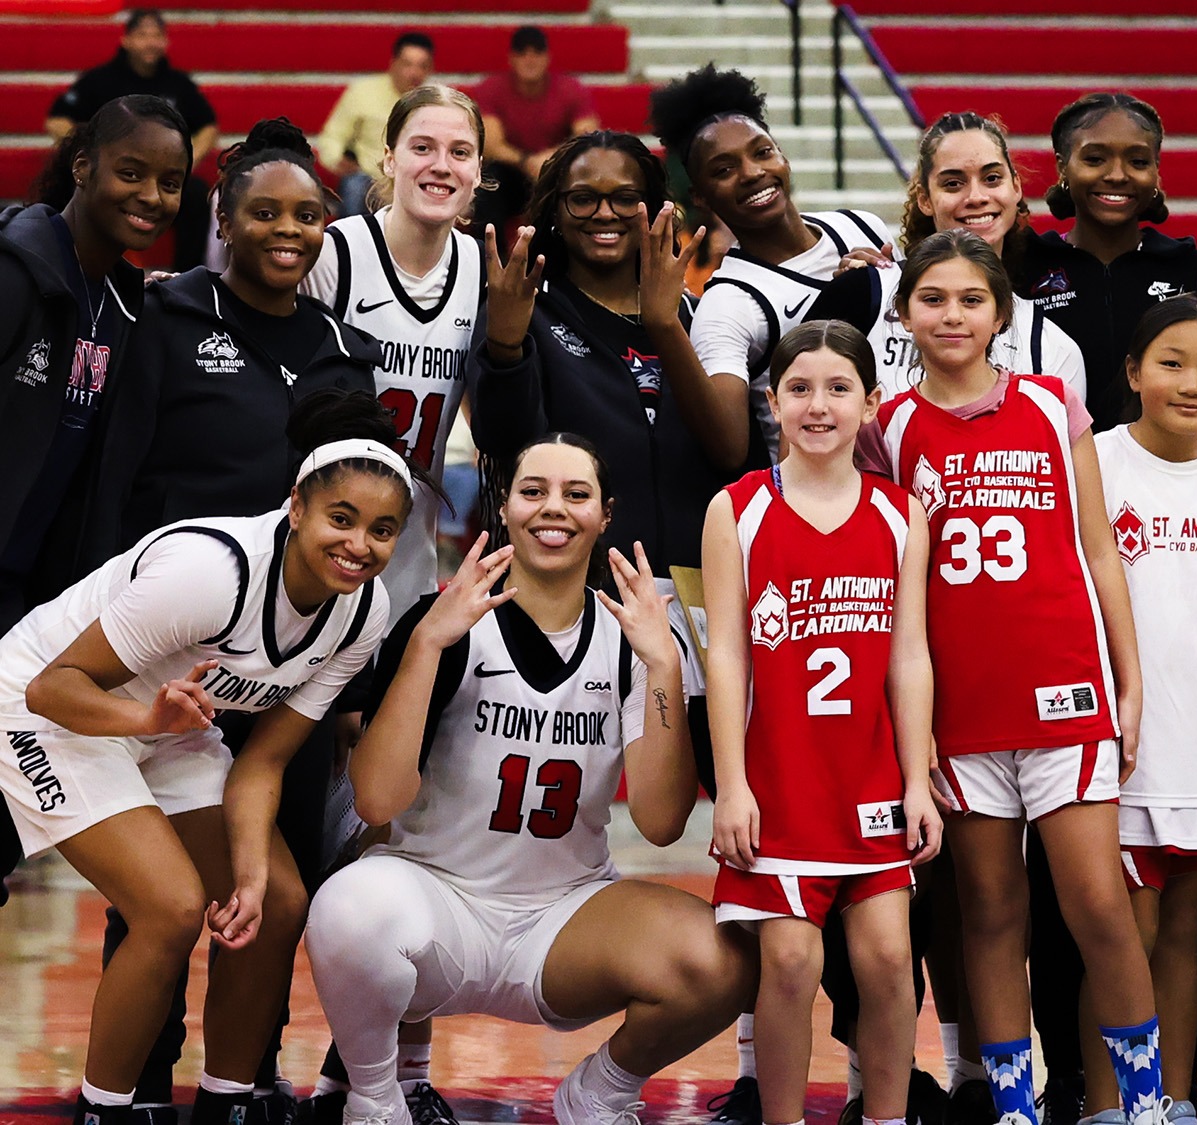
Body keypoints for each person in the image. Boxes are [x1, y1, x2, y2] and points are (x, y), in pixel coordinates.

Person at [304, 434, 754, 1125]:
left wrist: (665, 667)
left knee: (722, 960)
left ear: (606, 515)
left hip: (563, 917)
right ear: (504, 508)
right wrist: (426, 643)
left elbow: (663, 824)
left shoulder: (631, 638)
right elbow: (375, 798)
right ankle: (375, 1096)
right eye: (534, 490)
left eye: (577, 494)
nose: (555, 508)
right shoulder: (445, 621)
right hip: (437, 902)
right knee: (346, 907)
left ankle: (598, 1093)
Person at [0, 390, 404, 1125]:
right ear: (296, 508)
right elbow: (53, 686)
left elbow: (262, 763)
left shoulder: (362, 613)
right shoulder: (211, 571)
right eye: (340, 519)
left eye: (383, 530)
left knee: (277, 903)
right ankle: (104, 1111)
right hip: (45, 705)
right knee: (170, 908)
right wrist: (141, 716)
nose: (359, 545)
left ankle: (227, 1105)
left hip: (168, 725)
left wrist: (248, 872)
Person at [871, 230, 1162, 1125]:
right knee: (990, 913)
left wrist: (1130, 677)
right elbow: (889, 583)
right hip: (960, 710)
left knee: (1097, 904)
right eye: (933, 299)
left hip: (1064, 690)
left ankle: (1143, 1100)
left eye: (970, 299)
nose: (952, 315)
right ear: (904, 311)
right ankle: (1012, 1105)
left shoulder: (1049, 403)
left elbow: (1101, 548)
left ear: (1002, 312)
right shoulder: (888, 426)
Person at [704, 319, 942, 1125]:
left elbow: (909, 656)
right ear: (773, 402)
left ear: (872, 404)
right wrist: (731, 787)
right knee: (794, 960)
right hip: (780, 781)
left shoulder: (901, 514)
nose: (818, 404)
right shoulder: (736, 508)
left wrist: (918, 781)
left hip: (870, 775)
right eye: (800, 387)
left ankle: (882, 1116)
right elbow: (727, 660)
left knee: (886, 960)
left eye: (839, 388)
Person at [1079, 297, 1197, 1125]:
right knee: (1124, 928)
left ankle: (1175, 1098)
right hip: (1118, 746)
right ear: (1131, 373)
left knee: (1183, 925)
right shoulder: (1096, 462)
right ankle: (1107, 1101)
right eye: (1171, 362)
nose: (1192, 382)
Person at [96, 118, 380, 556]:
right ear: (225, 225)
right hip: (166, 602)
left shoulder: (348, 355)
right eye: (265, 214)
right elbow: (109, 477)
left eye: (306, 216)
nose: (289, 229)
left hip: (289, 610)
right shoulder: (163, 318)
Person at [471, 129, 719, 571]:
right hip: (571, 590)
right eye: (583, 199)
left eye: (625, 198)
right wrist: (505, 350)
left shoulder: (699, 318)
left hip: (697, 591)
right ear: (555, 211)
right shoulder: (522, 311)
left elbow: (734, 454)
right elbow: (503, 444)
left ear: (655, 209)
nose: (605, 214)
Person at [1, 95, 191, 632]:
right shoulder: (14, 272)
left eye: (171, 183)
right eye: (131, 173)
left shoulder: (128, 305)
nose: (151, 197)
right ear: (82, 167)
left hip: (30, 593)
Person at [305, 84, 487, 616]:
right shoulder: (334, 255)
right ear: (388, 157)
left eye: (459, 152)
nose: (441, 166)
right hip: (316, 563)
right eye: (422, 147)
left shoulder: (484, 272)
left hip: (410, 571)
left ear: (478, 169)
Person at [654, 64, 894, 467]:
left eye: (762, 152)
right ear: (701, 197)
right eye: (724, 170)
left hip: (914, 469)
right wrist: (842, 308)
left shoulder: (861, 227)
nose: (752, 173)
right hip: (818, 497)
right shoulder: (727, 305)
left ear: (782, 155)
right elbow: (729, 449)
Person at [808, 111, 1087, 404]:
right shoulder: (863, 294)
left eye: (992, 178)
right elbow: (799, 411)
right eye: (953, 183)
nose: (976, 196)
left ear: (1015, 187)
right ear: (925, 199)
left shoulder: (1051, 345)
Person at [1018, 94, 1197, 427]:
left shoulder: (1191, 269)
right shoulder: (1023, 265)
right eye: (1094, 159)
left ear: (1156, 169)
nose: (1117, 175)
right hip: (1058, 469)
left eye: (1137, 161)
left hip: (1163, 470)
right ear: (1063, 165)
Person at [44, 10, 216, 273]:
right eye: (143, 35)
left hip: (160, 173)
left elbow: (208, 126)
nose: (150, 42)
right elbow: (57, 120)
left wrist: (183, 165)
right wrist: (90, 150)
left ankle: (186, 275)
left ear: (166, 42)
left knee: (194, 194)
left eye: (157, 35)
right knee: (75, 182)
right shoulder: (99, 79)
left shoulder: (178, 84)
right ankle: (63, 263)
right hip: (110, 171)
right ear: (126, 40)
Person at [316, 33, 436, 221]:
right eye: (407, 64)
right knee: (354, 186)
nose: (414, 73)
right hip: (368, 177)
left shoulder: (436, 100)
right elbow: (332, 136)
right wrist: (337, 159)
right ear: (393, 64)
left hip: (416, 177)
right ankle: (349, 246)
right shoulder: (363, 93)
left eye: (422, 66)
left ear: (430, 69)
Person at [475, 26, 601, 189]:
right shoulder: (491, 89)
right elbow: (491, 145)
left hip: (557, 169)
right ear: (511, 58)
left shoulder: (570, 89)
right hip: (511, 172)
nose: (530, 59)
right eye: (522, 53)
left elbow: (587, 135)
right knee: (491, 177)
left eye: (537, 52)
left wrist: (551, 157)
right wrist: (526, 161)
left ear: (548, 57)